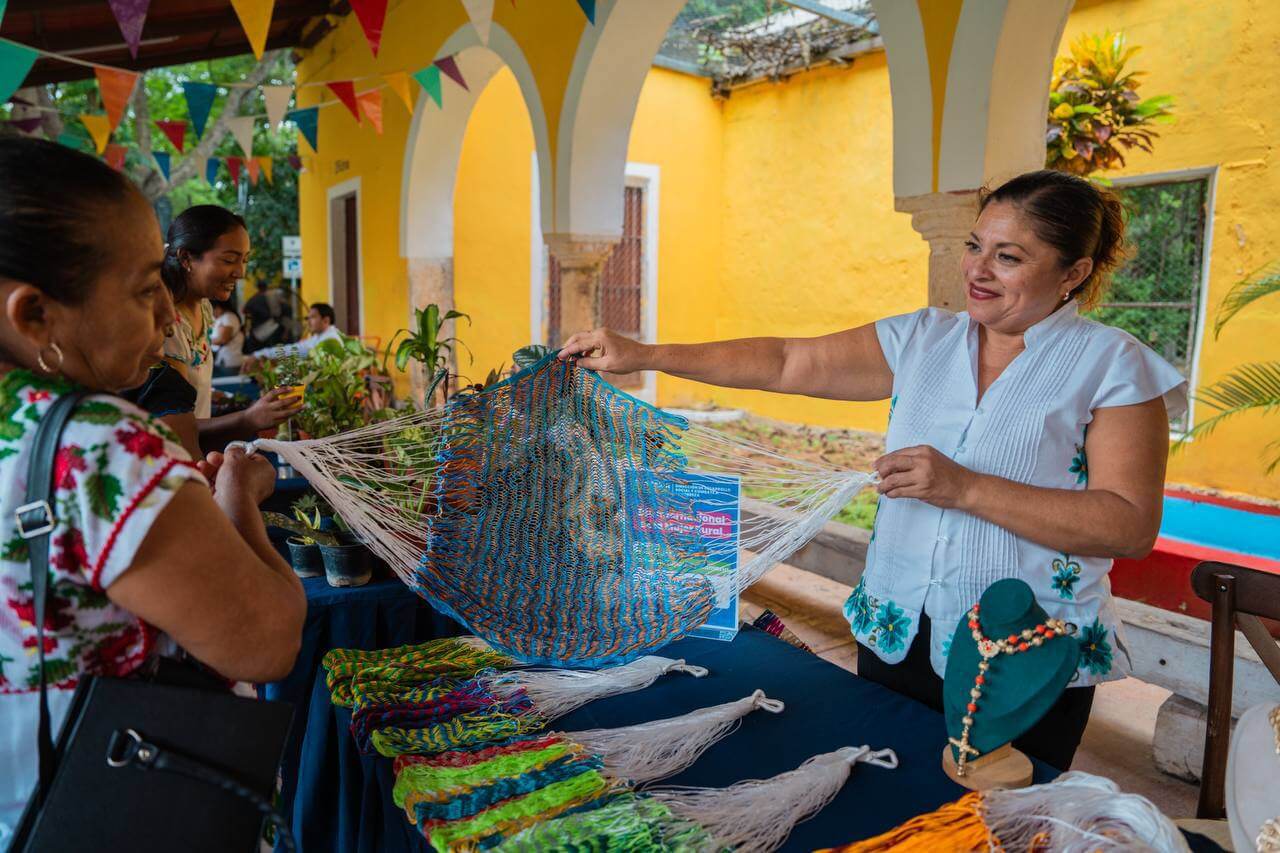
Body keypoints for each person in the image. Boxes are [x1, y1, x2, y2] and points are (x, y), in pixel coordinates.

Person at [558, 169, 1186, 771]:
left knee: (996, 822)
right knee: (891, 787)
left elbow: (1126, 525)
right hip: (898, 628)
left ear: (1073, 272)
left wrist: (965, 487)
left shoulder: (1113, 367)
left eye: (1009, 256)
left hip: (1024, 655)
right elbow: (786, 362)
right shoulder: (924, 339)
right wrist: (645, 354)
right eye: (975, 246)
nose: (977, 269)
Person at [0, 137, 305, 837]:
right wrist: (237, 505)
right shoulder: (96, 445)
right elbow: (267, 641)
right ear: (34, 314)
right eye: (144, 291)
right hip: (113, 814)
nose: (167, 317)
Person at [153, 206, 300, 456]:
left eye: (244, 260)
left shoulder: (203, 308)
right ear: (186, 258)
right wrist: (248, 419)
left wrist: (218, 396)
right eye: (229, 260)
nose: (241, 272)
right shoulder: (169, 326)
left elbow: (188, 391)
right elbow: (174, 427)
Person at [241, 302, 342, 370]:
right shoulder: (318, 337)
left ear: (326, 320)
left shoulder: (330, 339)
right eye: (308, 318)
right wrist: (260, 354)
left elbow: (294, 351)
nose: (308, 322)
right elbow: (295, 348)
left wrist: (259, 355)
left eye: (313, 317)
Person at [210, 299, 244, 377]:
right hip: (225, 361)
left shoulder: (228, 317)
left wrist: (205, 341)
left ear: (218, 307)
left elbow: (223, 339)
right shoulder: (225, 317)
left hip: (228, 361)